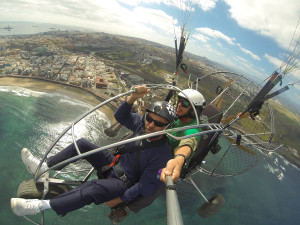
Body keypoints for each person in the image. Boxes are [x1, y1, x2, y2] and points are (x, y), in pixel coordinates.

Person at [10, 86, 176, 217]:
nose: (151, 125)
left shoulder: (163, 155)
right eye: (150, 119)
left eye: (158, 124)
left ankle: (40, 206)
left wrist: (121, 199)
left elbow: (145, 187)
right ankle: (44, 167)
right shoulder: (142, 126)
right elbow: (121, 116)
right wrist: (132, 98)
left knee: (91, 188)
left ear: (166, 127)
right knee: (82, 144)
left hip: (122, 183)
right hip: (113, 163)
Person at [109, 87, 206, 222]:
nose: (179, 105)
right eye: (179, 101)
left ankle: (126, 209)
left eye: (184, 104)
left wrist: (178, 160)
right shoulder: (178, 117)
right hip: (154, 147)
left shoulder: (191, 130)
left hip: (166, 160)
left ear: (194, 110)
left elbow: (187, 144)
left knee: (156, 185)